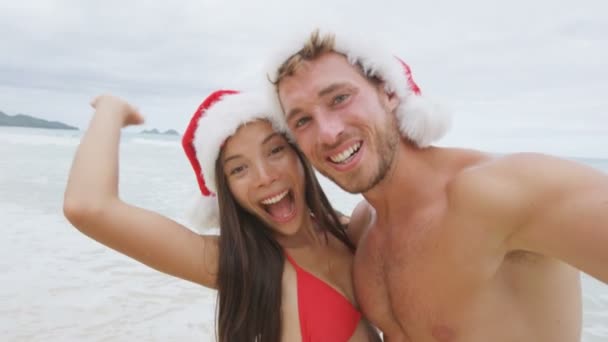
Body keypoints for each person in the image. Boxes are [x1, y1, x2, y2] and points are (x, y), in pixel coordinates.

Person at [266, 29, 608, 341]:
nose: (327, 132)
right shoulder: (362, 227)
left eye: (339, 98)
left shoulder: (497, 193)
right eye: (303, 120)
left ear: (388, 92)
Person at [63, 91, 381, 341]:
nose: (264, 176)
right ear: (225, 189)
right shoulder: (240, 264)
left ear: (298, 154)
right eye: (238, 168)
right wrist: (110, 110)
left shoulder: (349, 229)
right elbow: (87, 206)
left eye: (274, 151)